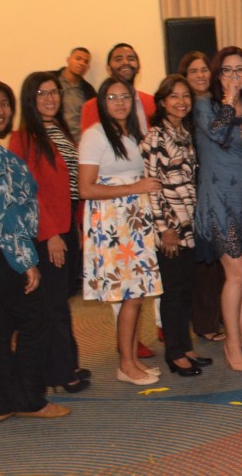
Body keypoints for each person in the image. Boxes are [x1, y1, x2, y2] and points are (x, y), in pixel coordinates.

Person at [0, 79, 70, 420]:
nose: (0, 111)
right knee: (35, 319)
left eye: (5, 104)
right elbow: (3, 212)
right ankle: (29, 399)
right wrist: (26, 261)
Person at [80, 76, 163, 385]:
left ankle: (130, 361)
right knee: (129, 294)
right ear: (102, 102)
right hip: (114, 223)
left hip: (136, 220)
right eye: (112, 98)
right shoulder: (95, 135)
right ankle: (126, 364)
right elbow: (86, 189)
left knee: (138, 294)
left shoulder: (134, 134)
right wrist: (135, 187)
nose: (119, 103)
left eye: (125, 97)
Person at [193, 47, 242, 371]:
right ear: (217, 75)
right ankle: (232, 343)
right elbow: (217, 133)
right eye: (228, 70)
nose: (235, 76)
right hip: (217, 196)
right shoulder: (204, 106)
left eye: (240, 70)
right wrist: (228, 99)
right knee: (236, 271)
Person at [9, 73, 88, 393]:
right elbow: (27, 191)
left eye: (54, 93)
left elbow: (71, 185)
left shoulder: (60, 131)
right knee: (52, 303)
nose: (50, 98)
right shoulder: (23, 137)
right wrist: (51, 233)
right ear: (30, 98)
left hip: (66, 225)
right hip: (46, 230)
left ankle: (66, 362)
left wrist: (76, 226)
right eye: (42, 93)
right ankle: (59, 372)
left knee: (61, 299)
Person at [141, 75, 211, 376]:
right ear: (162, 101)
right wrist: (164, 228)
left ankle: (185, 346)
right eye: (174, 96)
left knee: (185, 290)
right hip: (170, 227)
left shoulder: (184, 132)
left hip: (189, 221)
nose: (181, 101)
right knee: (172, 293)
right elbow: (152, 186)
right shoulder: (155, 137)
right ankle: (174, 353)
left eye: (185, 96)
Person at [178, 50, 226, 343]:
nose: (200, 75)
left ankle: (216, 316)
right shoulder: (185, 109)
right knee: (203, 260)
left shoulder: (216, 104)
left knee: (218, 258)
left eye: (204, 70)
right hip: (192, 190)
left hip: (217, 186)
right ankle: (206, 323)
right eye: (193, 71)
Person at [80, 43, 156, 133]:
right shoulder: (92, 107)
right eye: (118, 59)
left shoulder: (152, 102)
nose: (125, 62)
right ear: (108, 69)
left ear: (138, 67)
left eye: (131, 59)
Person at [55, 46, 95, 143]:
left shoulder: (89, 92)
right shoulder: (50, 80)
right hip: (49, 143)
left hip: (76, 146)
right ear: (68, 60)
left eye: (86, 62)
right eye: (78, 59)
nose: (82, 63)